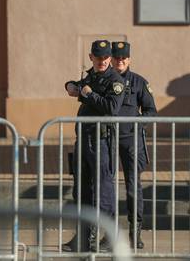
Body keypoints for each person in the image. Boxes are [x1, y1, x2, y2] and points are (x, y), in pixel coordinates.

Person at [63, 40, 125, 252]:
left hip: (101, 142)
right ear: (91, 57)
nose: (102, 61)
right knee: (82, 192)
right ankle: (83, 238)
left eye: (106, 57)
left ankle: (111, 237)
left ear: (110, 58)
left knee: (104, 193)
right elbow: (82, 87)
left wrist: (89, 94)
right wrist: (71, 86)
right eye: (98, 57)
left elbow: (111, 108)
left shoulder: (115, 80)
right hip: (84, 139)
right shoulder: (91, 75)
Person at [111, 41, 157, 249]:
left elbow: (150, 110)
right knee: (105, 187)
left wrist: (138, 125)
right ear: (111, 59)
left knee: (133, 187)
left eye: (123, 58)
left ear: (129, 59)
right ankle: (108, 232)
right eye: (117, 58)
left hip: (131, 139)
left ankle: (135, 232)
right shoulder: (105, 80)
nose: (120, 61)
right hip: (107, 138)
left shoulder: (139, 82)